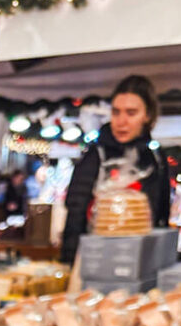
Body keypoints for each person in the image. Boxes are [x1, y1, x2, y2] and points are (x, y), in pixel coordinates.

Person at [60, 75, 170, 264]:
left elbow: (160, 215)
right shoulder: (95, 155)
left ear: (148, 115)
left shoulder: (156, 159)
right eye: (116, 112)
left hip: (139, 259)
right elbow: (75, 212)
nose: (121, 121)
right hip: (95, 258)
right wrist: (70, 262)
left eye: (131, 112)